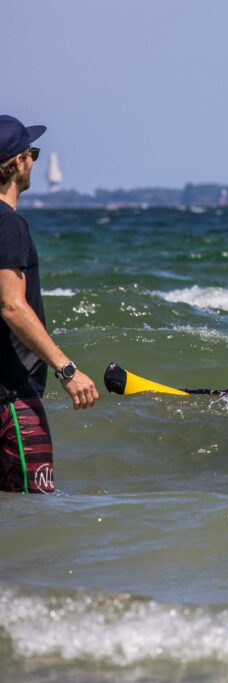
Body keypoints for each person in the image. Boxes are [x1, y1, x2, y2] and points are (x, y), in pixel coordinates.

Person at [0, 115, 98, 494]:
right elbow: (11, 306)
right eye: (32, 154)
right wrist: (67, 369)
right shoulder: (9, 225)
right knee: (34, 505)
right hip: (12, 397)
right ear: (18, 162)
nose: (33, 162)